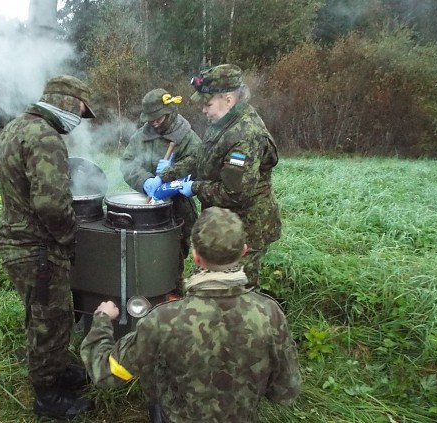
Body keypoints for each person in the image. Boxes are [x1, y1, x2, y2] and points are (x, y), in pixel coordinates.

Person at [80, 207, 301, 423]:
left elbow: (106, 373)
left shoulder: (164, 319)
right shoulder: (270, 313)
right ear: (244, 250)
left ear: (195, 256)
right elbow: (286, 391)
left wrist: (102, 320)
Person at [0, 75, 96, 419]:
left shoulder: (15, 127)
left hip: (18, 240)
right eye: (82, 110)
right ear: (68, 102)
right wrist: (71, 236)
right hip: (36, 247)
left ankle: (58, 369)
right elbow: (52, 205)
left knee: (49, 313)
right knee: (48, 320)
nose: (81, 118)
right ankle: (48, 395)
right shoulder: (45, 136)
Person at [178, 64, 282, 289]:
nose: (203, 110)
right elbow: (203, 159)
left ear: (228, 99)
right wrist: (169, 174)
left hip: (246, 228)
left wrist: (194, 187)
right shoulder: (222, 122)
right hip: (223, 222)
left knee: (236, 292)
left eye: (207, 104)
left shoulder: (245, 134)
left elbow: (234, 193)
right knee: (211, 285)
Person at [120, 88, 201, 291]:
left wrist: (173, 173)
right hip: (145, 208)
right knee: (142, 258)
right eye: (150, 118)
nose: (154, 122)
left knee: (172, 262)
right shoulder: (141, 136)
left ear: (170, 111)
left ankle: (170, 298)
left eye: (158, 118)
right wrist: (145, 180)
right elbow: (127, 163)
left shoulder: (187, 137)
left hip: (177, 209)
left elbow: (200, 164)